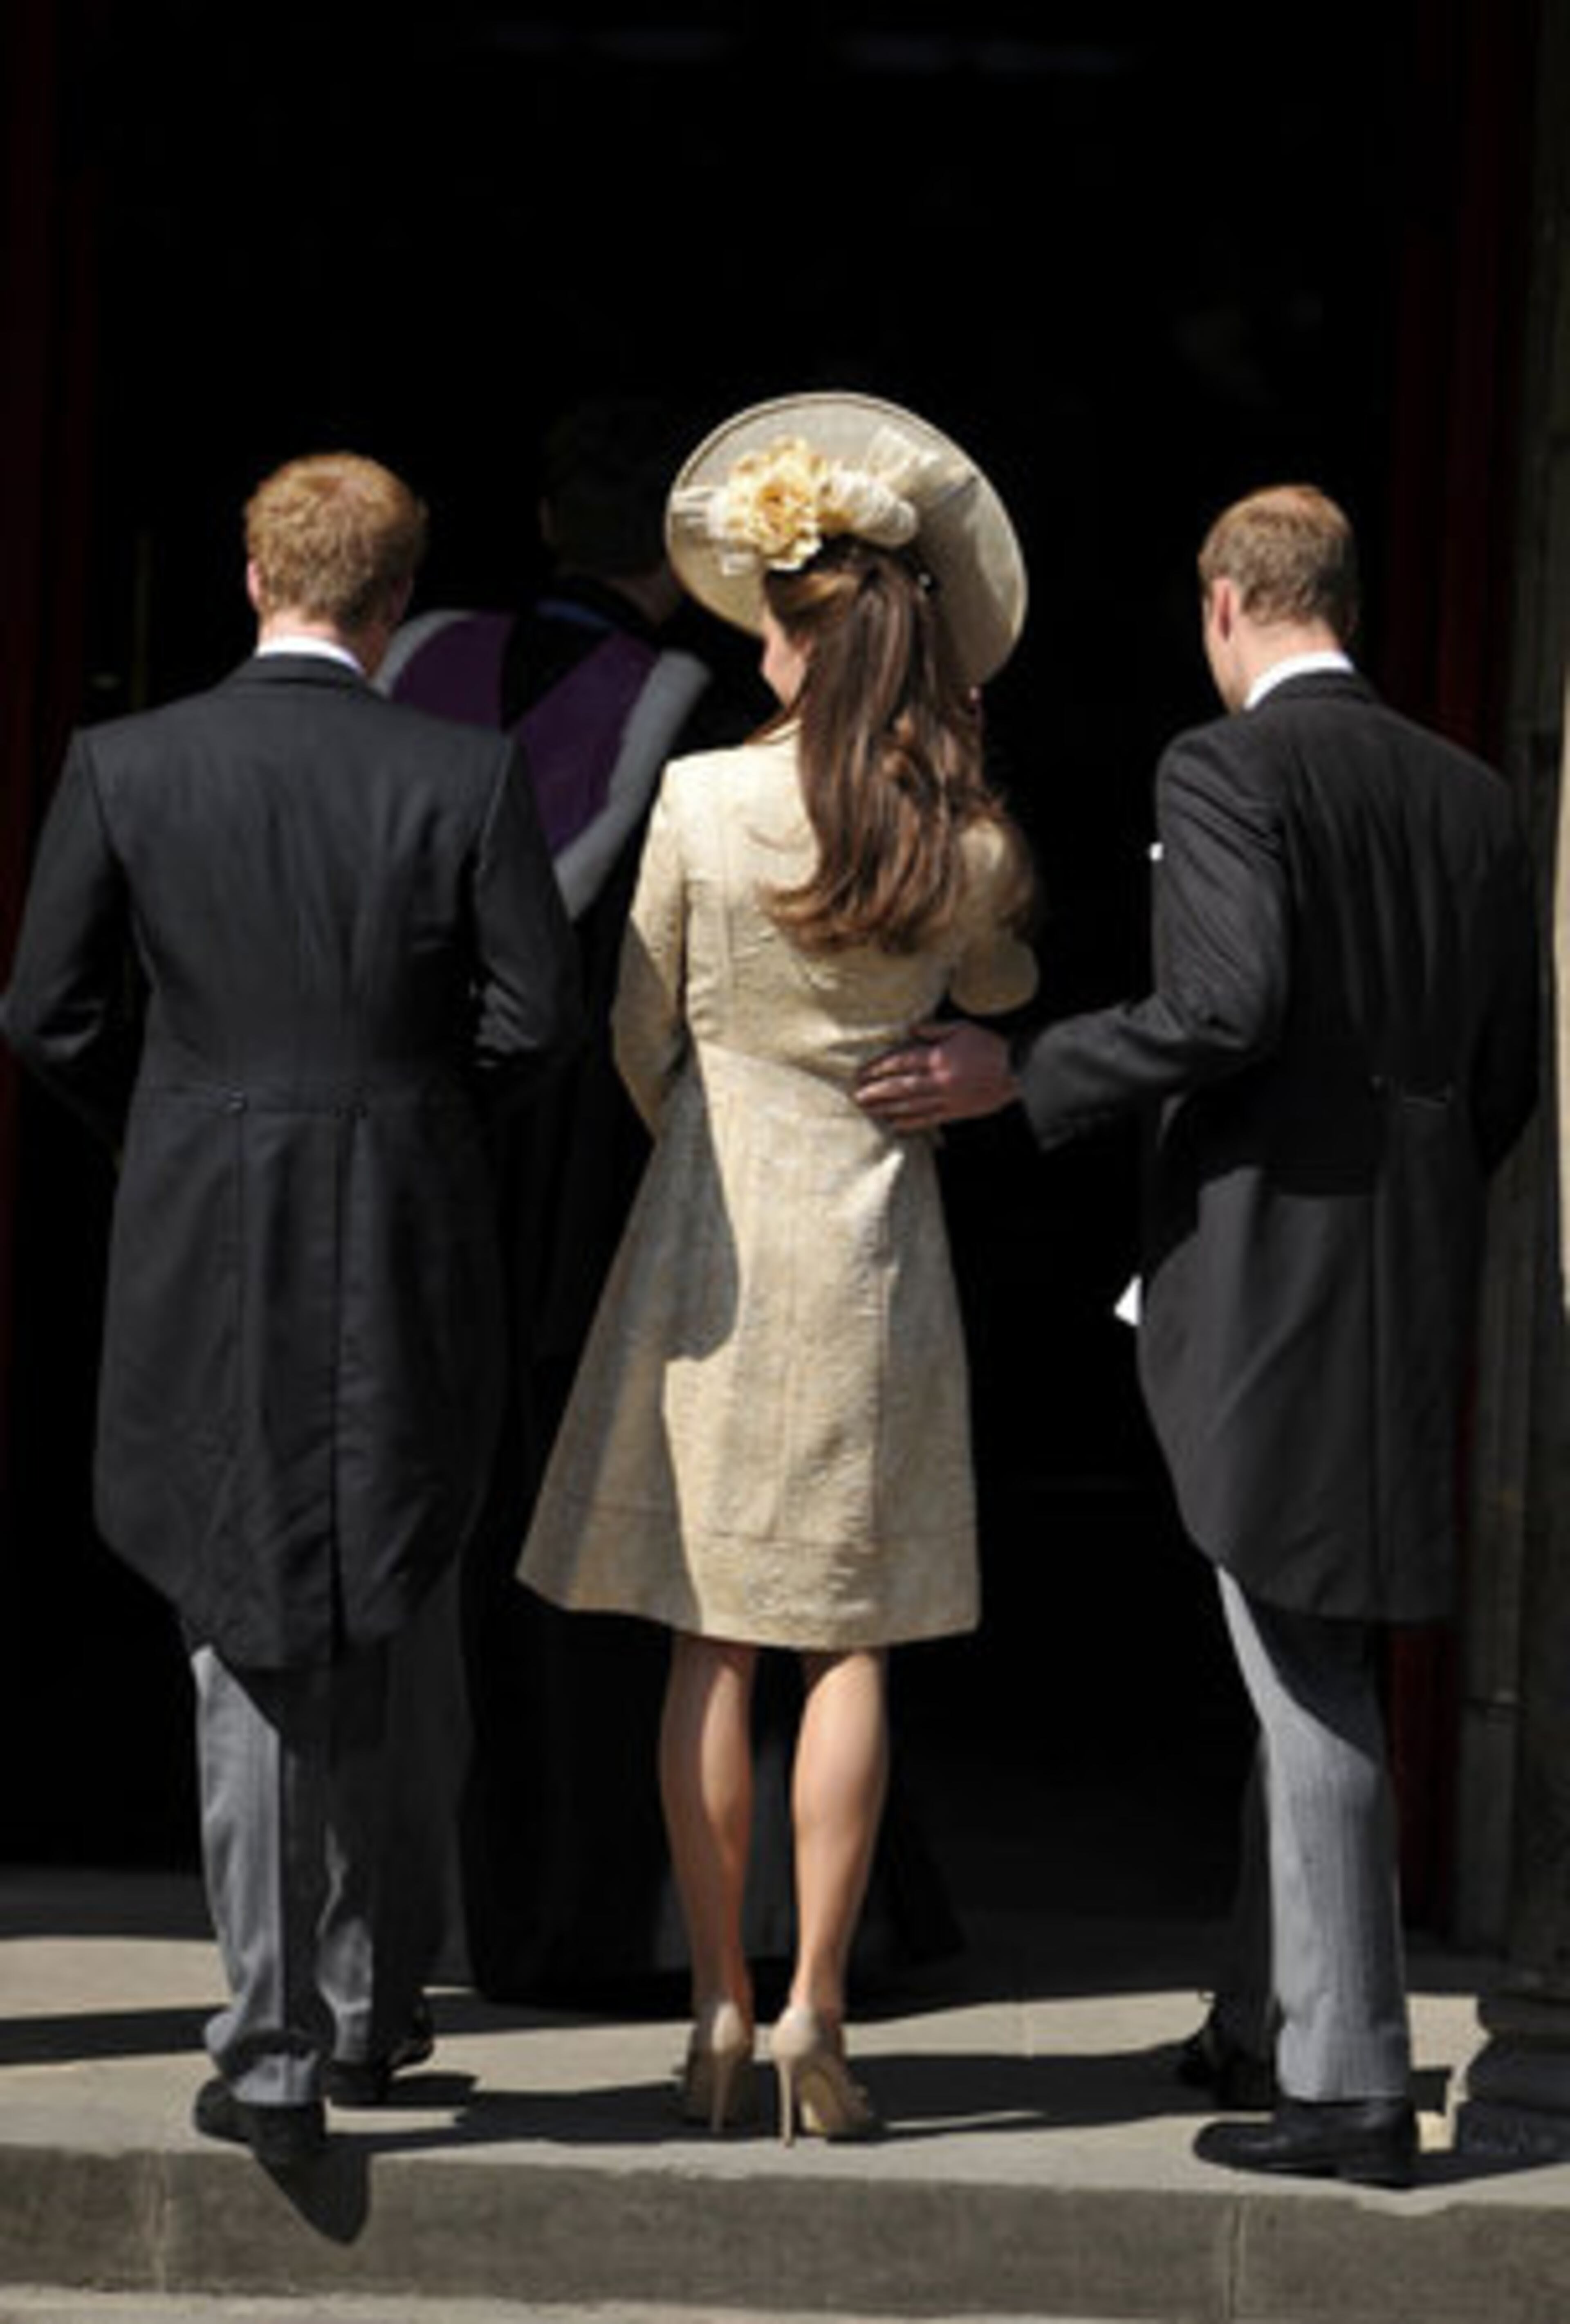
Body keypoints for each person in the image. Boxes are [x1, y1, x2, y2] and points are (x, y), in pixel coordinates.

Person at [856, 483, 1539, 2187]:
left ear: (1229, 601)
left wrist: (1029, 1071)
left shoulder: (1220, 767)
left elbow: (1226, 1003)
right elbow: (1512, 1071)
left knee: (1298, 1656)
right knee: (1313, 1628)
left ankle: (1353, 2082)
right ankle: (1265, 2011)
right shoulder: (1471, 789)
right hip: (1408, 1262)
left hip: (1270, 1271)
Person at [0, 452, 581, 2167]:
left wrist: (181, 1122)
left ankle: (272, 2037)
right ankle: (371, 2001)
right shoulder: (465, 772)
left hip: (203, 1226)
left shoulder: (131, 760)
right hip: (407, 1220)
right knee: (393, 1583)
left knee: (246, 1609)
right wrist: (404, 1113)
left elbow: (45, 1010)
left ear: (256, 575)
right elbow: (536, 1018)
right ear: (399, 599)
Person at [519, 391, 1038, 2140]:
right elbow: (1006, 992)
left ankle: (718, 2007)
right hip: (878, 1222)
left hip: (713, 1231)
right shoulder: (954, 830)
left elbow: (637, 1028)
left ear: (799, 640)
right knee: (859, 1638)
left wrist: (713, 1119)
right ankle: (823, 1996)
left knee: (715, 1640)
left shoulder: (697, 796)